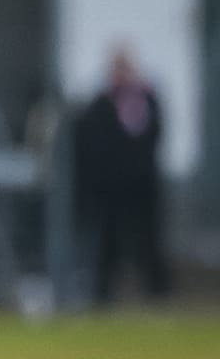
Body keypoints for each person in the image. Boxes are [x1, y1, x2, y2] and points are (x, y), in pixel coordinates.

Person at [73, 46, 171, 304]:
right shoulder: (101, 103)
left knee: (147, 240)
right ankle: (103, 294)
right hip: (110, 188)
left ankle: (156, 293)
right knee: (108, 243)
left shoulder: (147, 99)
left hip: (141, 185)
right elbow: (90, 143)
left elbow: (156, 136)